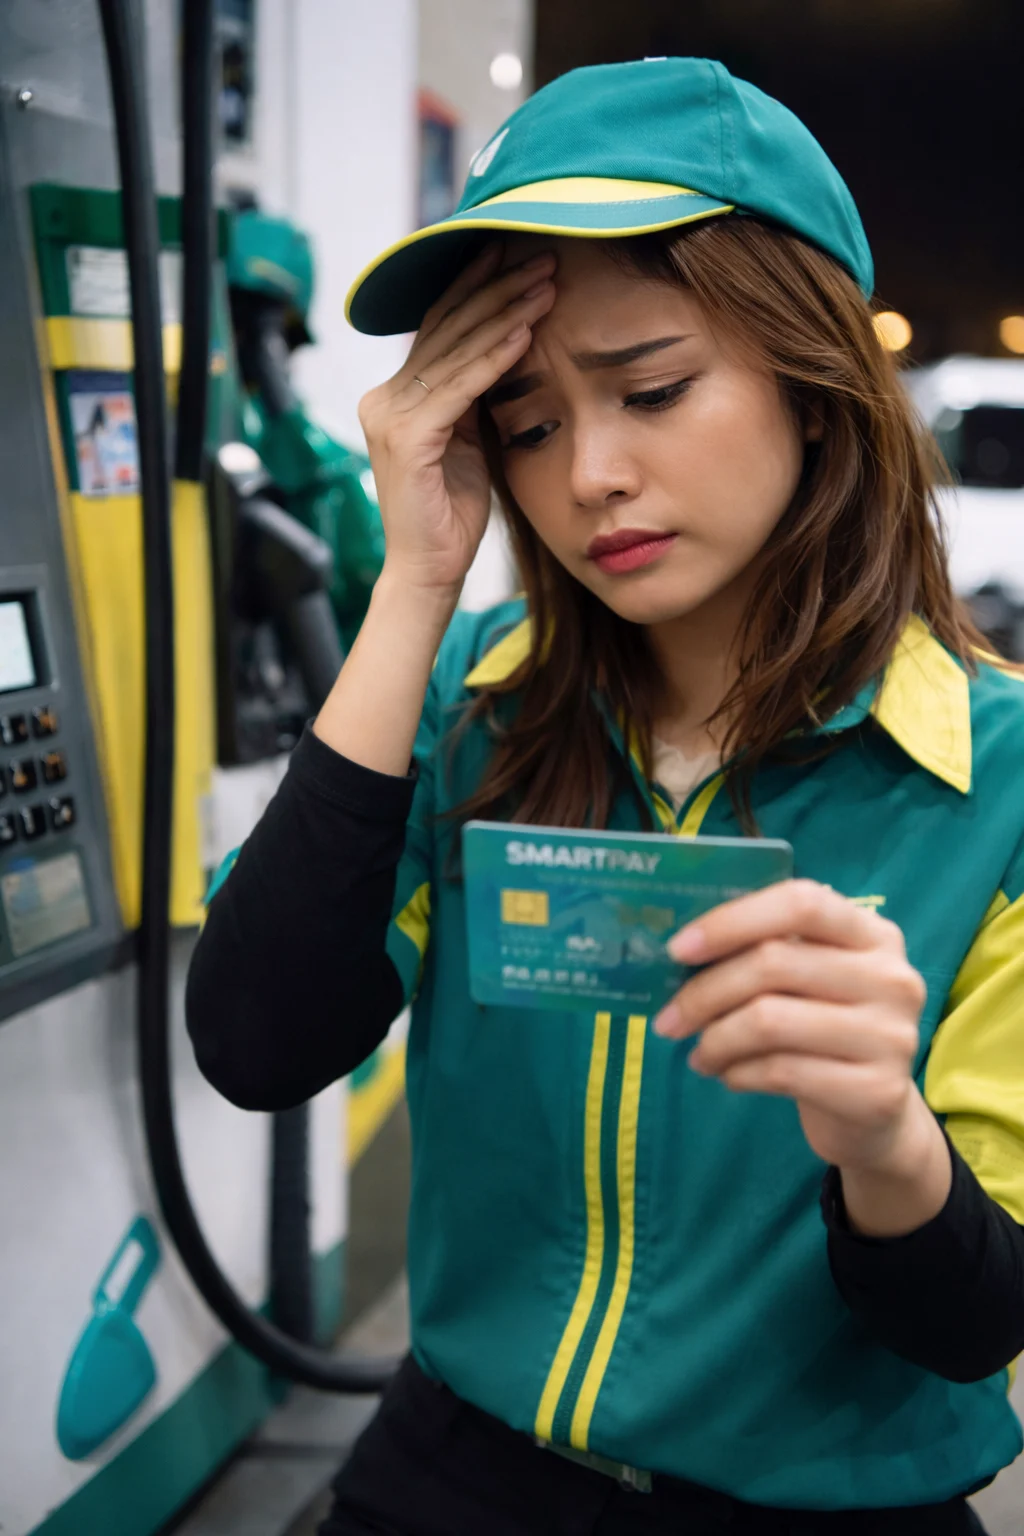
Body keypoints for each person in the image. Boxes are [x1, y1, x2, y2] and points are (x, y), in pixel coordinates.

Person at [186, 58, 1024, 1535]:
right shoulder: (468, 707)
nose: (590, 475)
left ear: (812, 382)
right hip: (453, 1465)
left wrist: (884, 1135)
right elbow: (256, 1041)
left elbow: (972, 1327)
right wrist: (415, 591)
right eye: (522, 422)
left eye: (652, 389)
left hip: (821, 1505)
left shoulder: (995, 775)